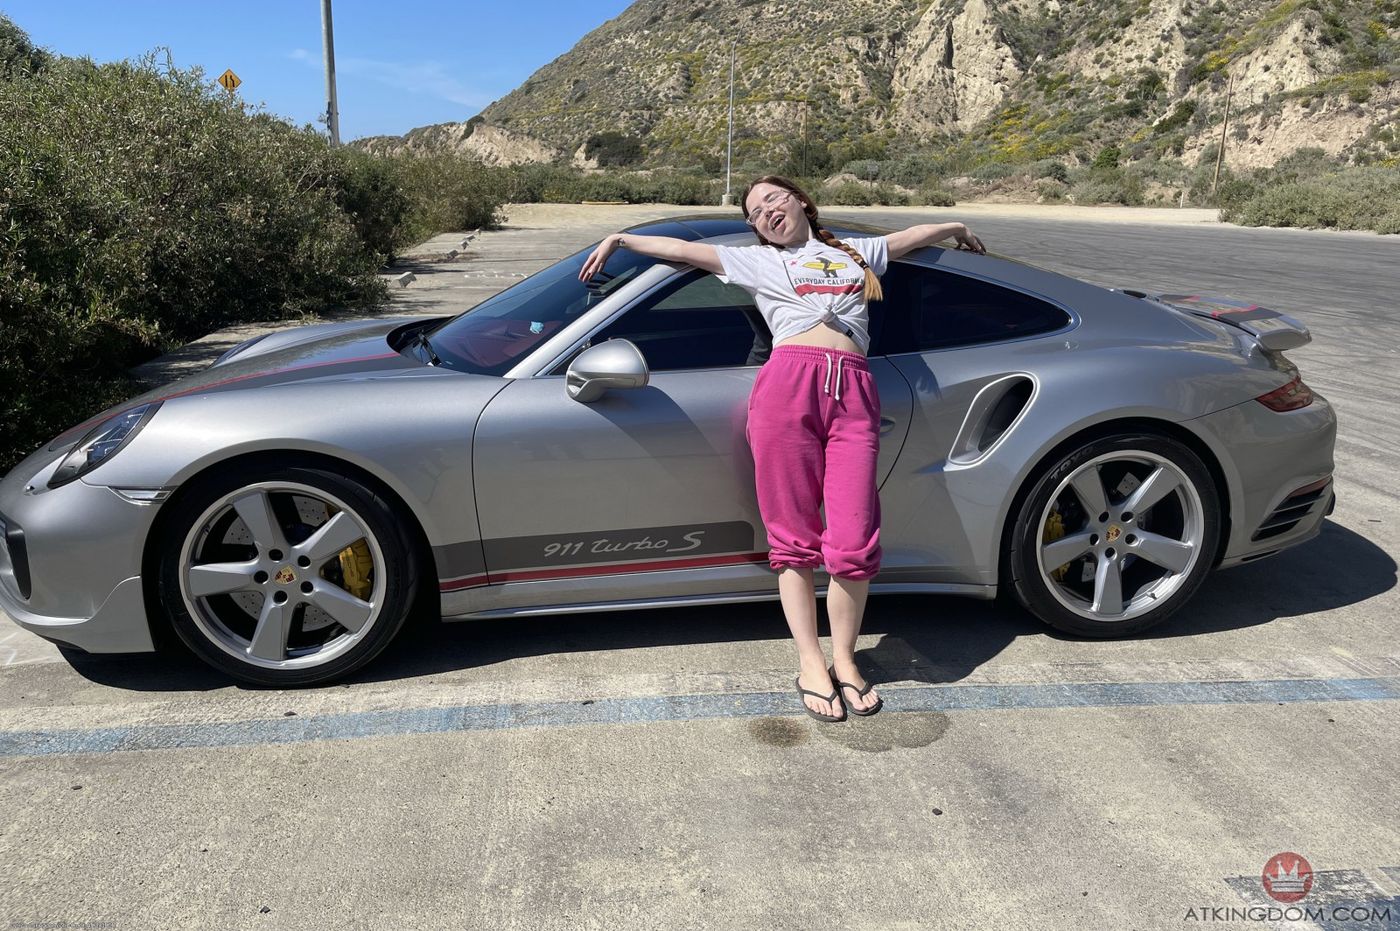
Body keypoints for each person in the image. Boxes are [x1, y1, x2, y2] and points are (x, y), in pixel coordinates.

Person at [579, 175, 985, 721]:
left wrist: (954, 225)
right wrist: (621, 238)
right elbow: (681, 250)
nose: (766, 211)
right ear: (757, 228)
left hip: (853, 393)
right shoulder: (757, 262)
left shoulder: (854, 252)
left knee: (855, 538)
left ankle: (846, 659)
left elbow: (907, 238)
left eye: (773, 198)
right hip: (787, 388)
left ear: (800, 201)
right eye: (755, 211)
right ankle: (811, 662)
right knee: (792, 535)